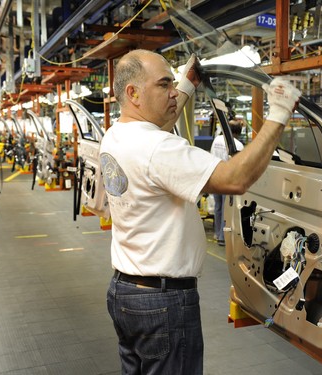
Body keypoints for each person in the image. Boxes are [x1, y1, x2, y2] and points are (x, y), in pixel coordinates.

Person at [99, 49, 300, 375]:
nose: (173, 93)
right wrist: (278, 113)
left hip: (125, 293)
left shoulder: (117, 135)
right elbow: (235, 179)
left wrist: (187, 84)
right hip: (163, 302)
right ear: (133, 93)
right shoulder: (158, 149)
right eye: (165, 85)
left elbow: (157, 127)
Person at [209, 119, 244, 246]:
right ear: (238, 132)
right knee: (226, 209)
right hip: (227, 180)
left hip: (214, 176)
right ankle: (223, 237)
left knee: (218, 207)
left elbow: (211, 155)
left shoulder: (216, 140)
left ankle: (218, 233)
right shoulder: (238, 145)